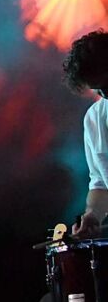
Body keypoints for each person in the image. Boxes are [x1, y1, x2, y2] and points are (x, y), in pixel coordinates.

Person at [64, 29, 108, 237]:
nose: (105, 93)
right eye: (98, 89)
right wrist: (92, 215)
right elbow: (100, 183)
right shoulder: (94, 118)